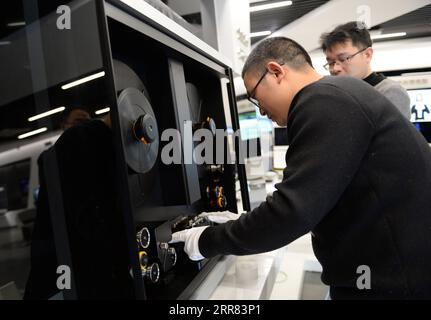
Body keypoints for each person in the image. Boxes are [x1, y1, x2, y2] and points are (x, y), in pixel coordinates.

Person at [171, 37, 431, 299]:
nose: (261, 111)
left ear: (276, 71)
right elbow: (313, 197)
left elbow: (290, 212)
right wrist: (241, 223)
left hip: (393, 286)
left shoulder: (323, 99)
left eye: (255, 97)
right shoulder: (339, 93)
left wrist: (207, 241)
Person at [320, 21, 411, 119]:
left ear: (367, 55)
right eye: (330, 62)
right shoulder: (336, 94)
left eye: (343, 59)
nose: (335, 69)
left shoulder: (390, 92)